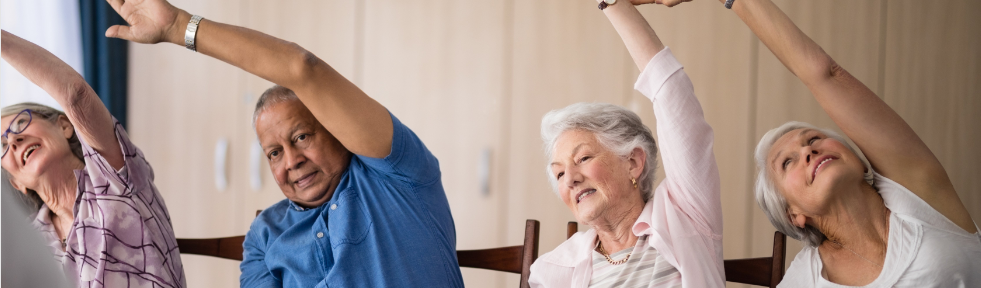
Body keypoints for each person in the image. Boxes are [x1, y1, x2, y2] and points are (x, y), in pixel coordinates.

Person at [103, 0, 465, 287]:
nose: (292, 161)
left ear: (336, 128)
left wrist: (178, 27)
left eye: (302, 137)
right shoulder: (265, 235)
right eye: (274, 152)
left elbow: (303, 68)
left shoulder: (397, 174)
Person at [678, 0, 981, 286]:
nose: (808, 150)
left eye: (814, 139)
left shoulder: (917, 192)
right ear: (793, 214)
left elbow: (826, 75)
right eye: (788, 162)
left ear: (861, 160)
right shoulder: (805, 281)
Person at [528, 1, 724, 287]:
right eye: (559, 173)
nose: (569, 179)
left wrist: (612, 2)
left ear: (632, 162)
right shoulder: (553, 271)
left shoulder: (684, 217)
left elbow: (672, 95)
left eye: (582, 159)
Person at [1, 31, 185, 287]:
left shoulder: (116, 176)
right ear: (16, 183)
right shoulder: (26, 242)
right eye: (2, 146)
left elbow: (75, 94)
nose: (13, 140)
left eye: (21, 123)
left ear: (65, 126)